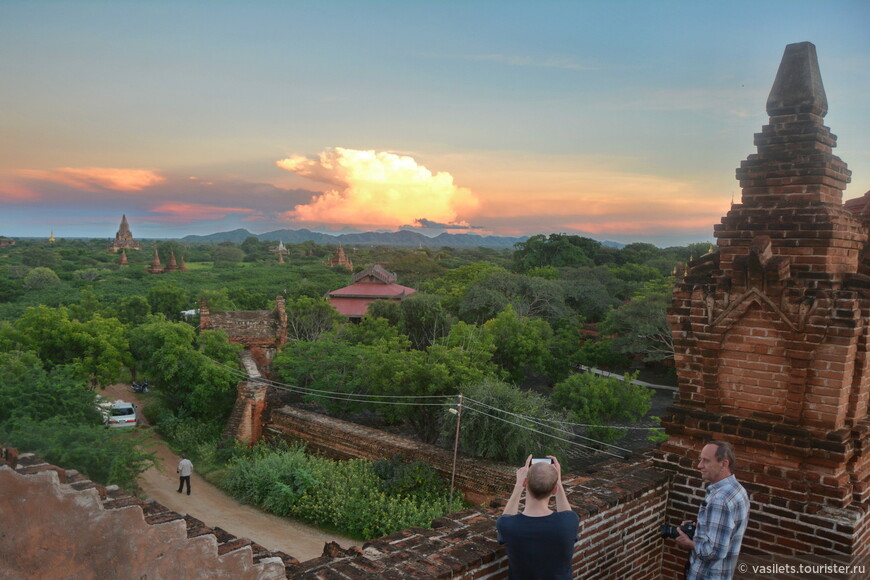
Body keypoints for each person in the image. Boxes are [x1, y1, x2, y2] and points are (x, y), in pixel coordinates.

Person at [496, 455, 579, 580]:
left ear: (525, 483)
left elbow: (506, 517)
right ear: (555, 490)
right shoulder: (569, 522)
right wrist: (559, 483)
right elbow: (566, 513)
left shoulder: (508, 525)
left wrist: (518, 485)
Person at [675, 441, 749, 580]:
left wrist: (689, 543)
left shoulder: (720, 499)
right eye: (700, 459)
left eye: (706, 461)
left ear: (724, 463)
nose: (699, 465)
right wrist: (700, 527)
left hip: (707, 575)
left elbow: (715, 551)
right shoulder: (738, 490)